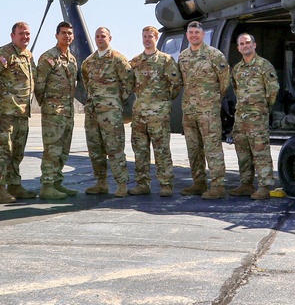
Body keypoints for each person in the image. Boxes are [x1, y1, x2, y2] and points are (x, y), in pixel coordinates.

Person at [0, 21, 36, 204]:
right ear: (13, 35)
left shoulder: (27, 55)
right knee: (2, 151)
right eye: (21, 34)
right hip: (6, 112)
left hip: (22, 112)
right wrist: (0, 95)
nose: (25, 37)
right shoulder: (5, 53)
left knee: (17, 152)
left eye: (27, 34)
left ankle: (14, 185)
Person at [177, 21, 230, 199]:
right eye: (191, 33)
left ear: (203, 35)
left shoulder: (214, 55)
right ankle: (198, 182)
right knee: (193, 148)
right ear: (187, 35)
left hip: (208, 110)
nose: (194, 35)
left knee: (212, 147)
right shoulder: (183, 56)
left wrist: (213, 99)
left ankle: (218, 185)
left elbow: (224, 82)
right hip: (189, 110)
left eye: (197, 33)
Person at [129, 25, 183, 196]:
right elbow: (129, 83)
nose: (147, 39)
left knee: (162, 151)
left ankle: (166, 184)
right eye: (144, 36)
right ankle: (142, 184)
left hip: (158, 115)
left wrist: (164, 103)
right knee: (140, 151)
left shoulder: (165, 60)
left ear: (156, 38)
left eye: (150, 36)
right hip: (139, 115)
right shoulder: (136, 61)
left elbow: (176, 84)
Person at [81, 26, 134, 197]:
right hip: (92, 112)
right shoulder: (88, 62)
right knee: (95, 149)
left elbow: (128, 82)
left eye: (103, 36)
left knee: (115, 148)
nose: (99, 39)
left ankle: (121, 184)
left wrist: (117, 101)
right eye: (97, 36)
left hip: (111, 113)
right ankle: (101, 182)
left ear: (109, 38)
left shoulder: (118, 59)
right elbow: (86, 82)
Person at [229, 33, 279, 200]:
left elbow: (273, 90)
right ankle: (246, 184)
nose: (245, 46)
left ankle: (264, 186)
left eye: (248, 43)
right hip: (241, 117)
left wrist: (263, 107)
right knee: (242, 152)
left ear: (254, 45)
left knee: (260, 152)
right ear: (238, 48)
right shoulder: (237, 69)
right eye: (242, 44)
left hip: (257, 116)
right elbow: (237, 90)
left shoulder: (264, 66)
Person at [34, 21, 79, 200]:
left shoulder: (72, 59)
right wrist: (47, 105)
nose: (66, 36)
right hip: (53, 112)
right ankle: (47, 185)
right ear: (56, 36)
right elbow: (39, 85)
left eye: (69, 33)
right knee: (52, 149)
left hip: (68, 111)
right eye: (63, 33)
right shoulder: (48, 57)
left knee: (64, 149)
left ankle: (57, 182)